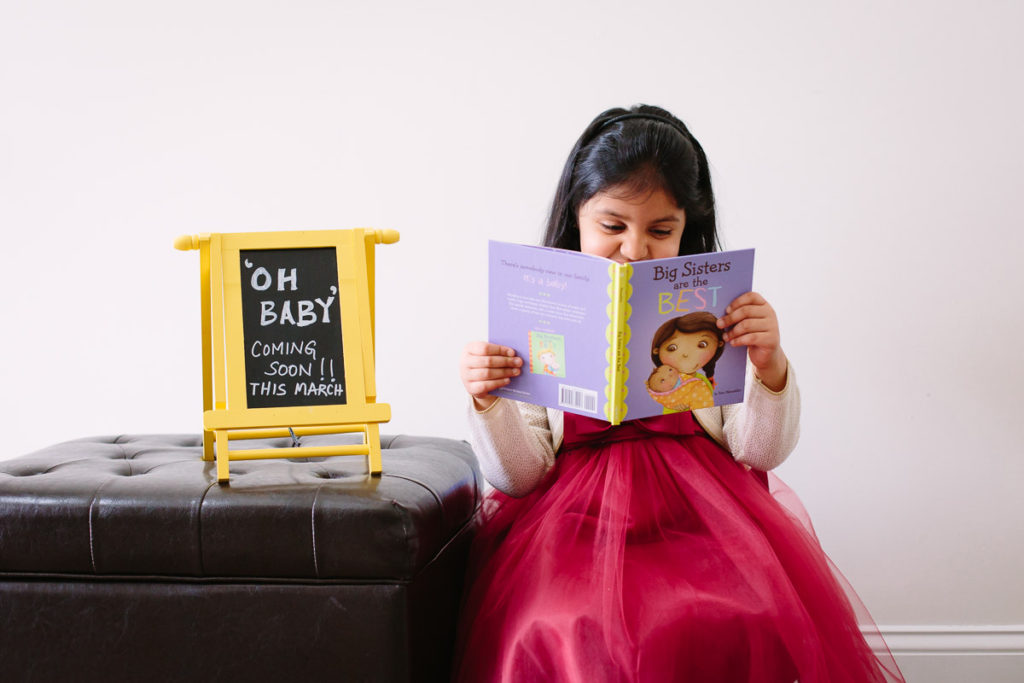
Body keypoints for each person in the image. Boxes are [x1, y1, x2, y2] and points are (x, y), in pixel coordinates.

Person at [454, 104, 903, 682]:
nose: (635, 250)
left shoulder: (713, 309)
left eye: (660, 230)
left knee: (742, 613)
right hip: (572, 527)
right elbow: (518, 477)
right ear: (577, 216)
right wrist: (488, 400)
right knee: (565, 621)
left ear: (688, 226)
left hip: (702, 518)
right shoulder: (543, 306)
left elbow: (760, 451)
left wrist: (769, 365)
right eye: (612, 226)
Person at [647, 312, 723, 411]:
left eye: (702, 345)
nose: (686, 354)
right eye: (672, 347)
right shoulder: (661, 380)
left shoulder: (702, 380)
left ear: (718, 345)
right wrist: (675, 408)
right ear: (657, 351)